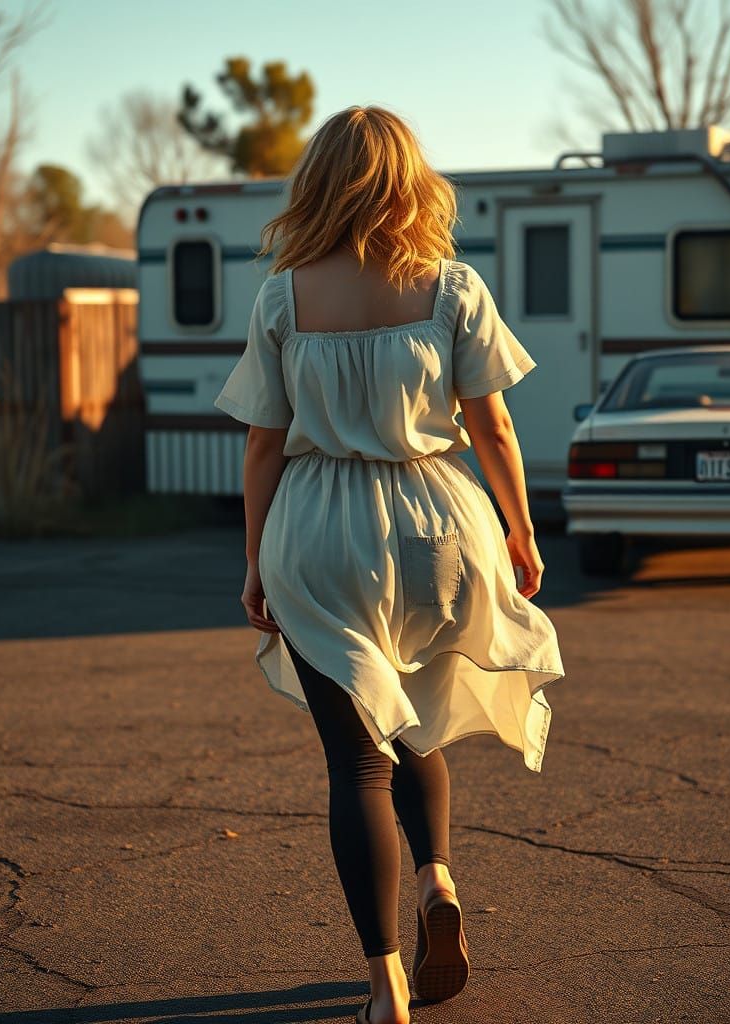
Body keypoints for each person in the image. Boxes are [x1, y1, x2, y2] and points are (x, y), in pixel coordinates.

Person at [214, 105, 566, 1024]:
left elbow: (262, 445)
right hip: (437, 527)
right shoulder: (451, 289)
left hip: (322, 534)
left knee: (357, 763)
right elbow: (492, 424)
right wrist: (521, 531)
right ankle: (438, 882)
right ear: (412, 179)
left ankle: (385, 989)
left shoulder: (283, 296)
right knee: (420, 729)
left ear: (319, 181)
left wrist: (254, 562)